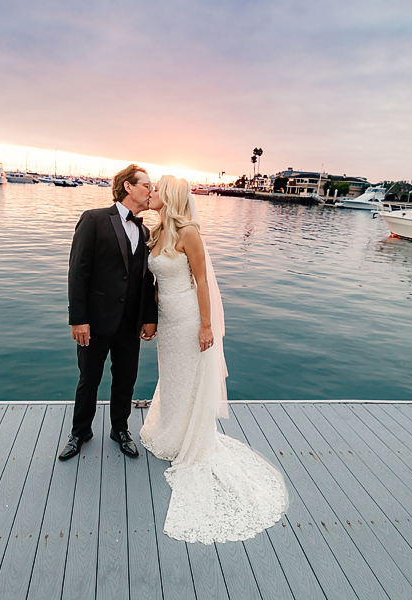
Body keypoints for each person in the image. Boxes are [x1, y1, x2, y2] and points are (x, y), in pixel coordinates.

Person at [139, 175, 288, 544]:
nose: (151, 194)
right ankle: (170, 431)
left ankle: (190, 440)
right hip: (168, 321)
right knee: (172, 378)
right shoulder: (156, 234)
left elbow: (202, 282)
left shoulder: (189, 232)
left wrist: (206, 326)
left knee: (190, 377)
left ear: (170, 197)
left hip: (190, 318)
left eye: (156, 190)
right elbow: (154, 283)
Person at [59, 164, 158, 460]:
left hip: (130, 323)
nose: (151, 191)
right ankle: (80, 432)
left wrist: (149, 318)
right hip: (96, 321)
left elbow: (147, 279)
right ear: (128, 187)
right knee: (89, 378)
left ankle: (120, 429)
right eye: (147, 185)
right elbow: (78, 272)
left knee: (126, 379)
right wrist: (78, 319)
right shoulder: (94, 219)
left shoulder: (144, 230)